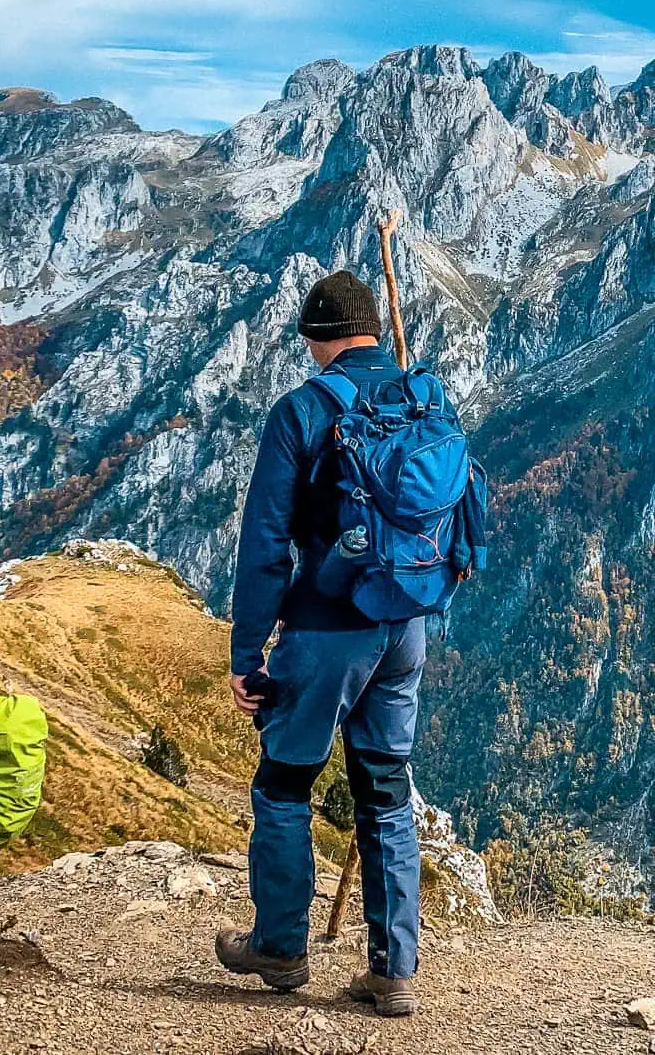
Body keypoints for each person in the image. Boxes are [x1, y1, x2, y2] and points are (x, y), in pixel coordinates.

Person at [215, 270, 429, 1018]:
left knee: (283, 786)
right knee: (386, 796)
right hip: (406, 626)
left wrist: (247, 655)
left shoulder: (302, 410)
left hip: (326, 630)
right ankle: (392, 969)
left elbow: (266, 545)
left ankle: (280, 947)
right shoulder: (422, 398)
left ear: (316, 338)